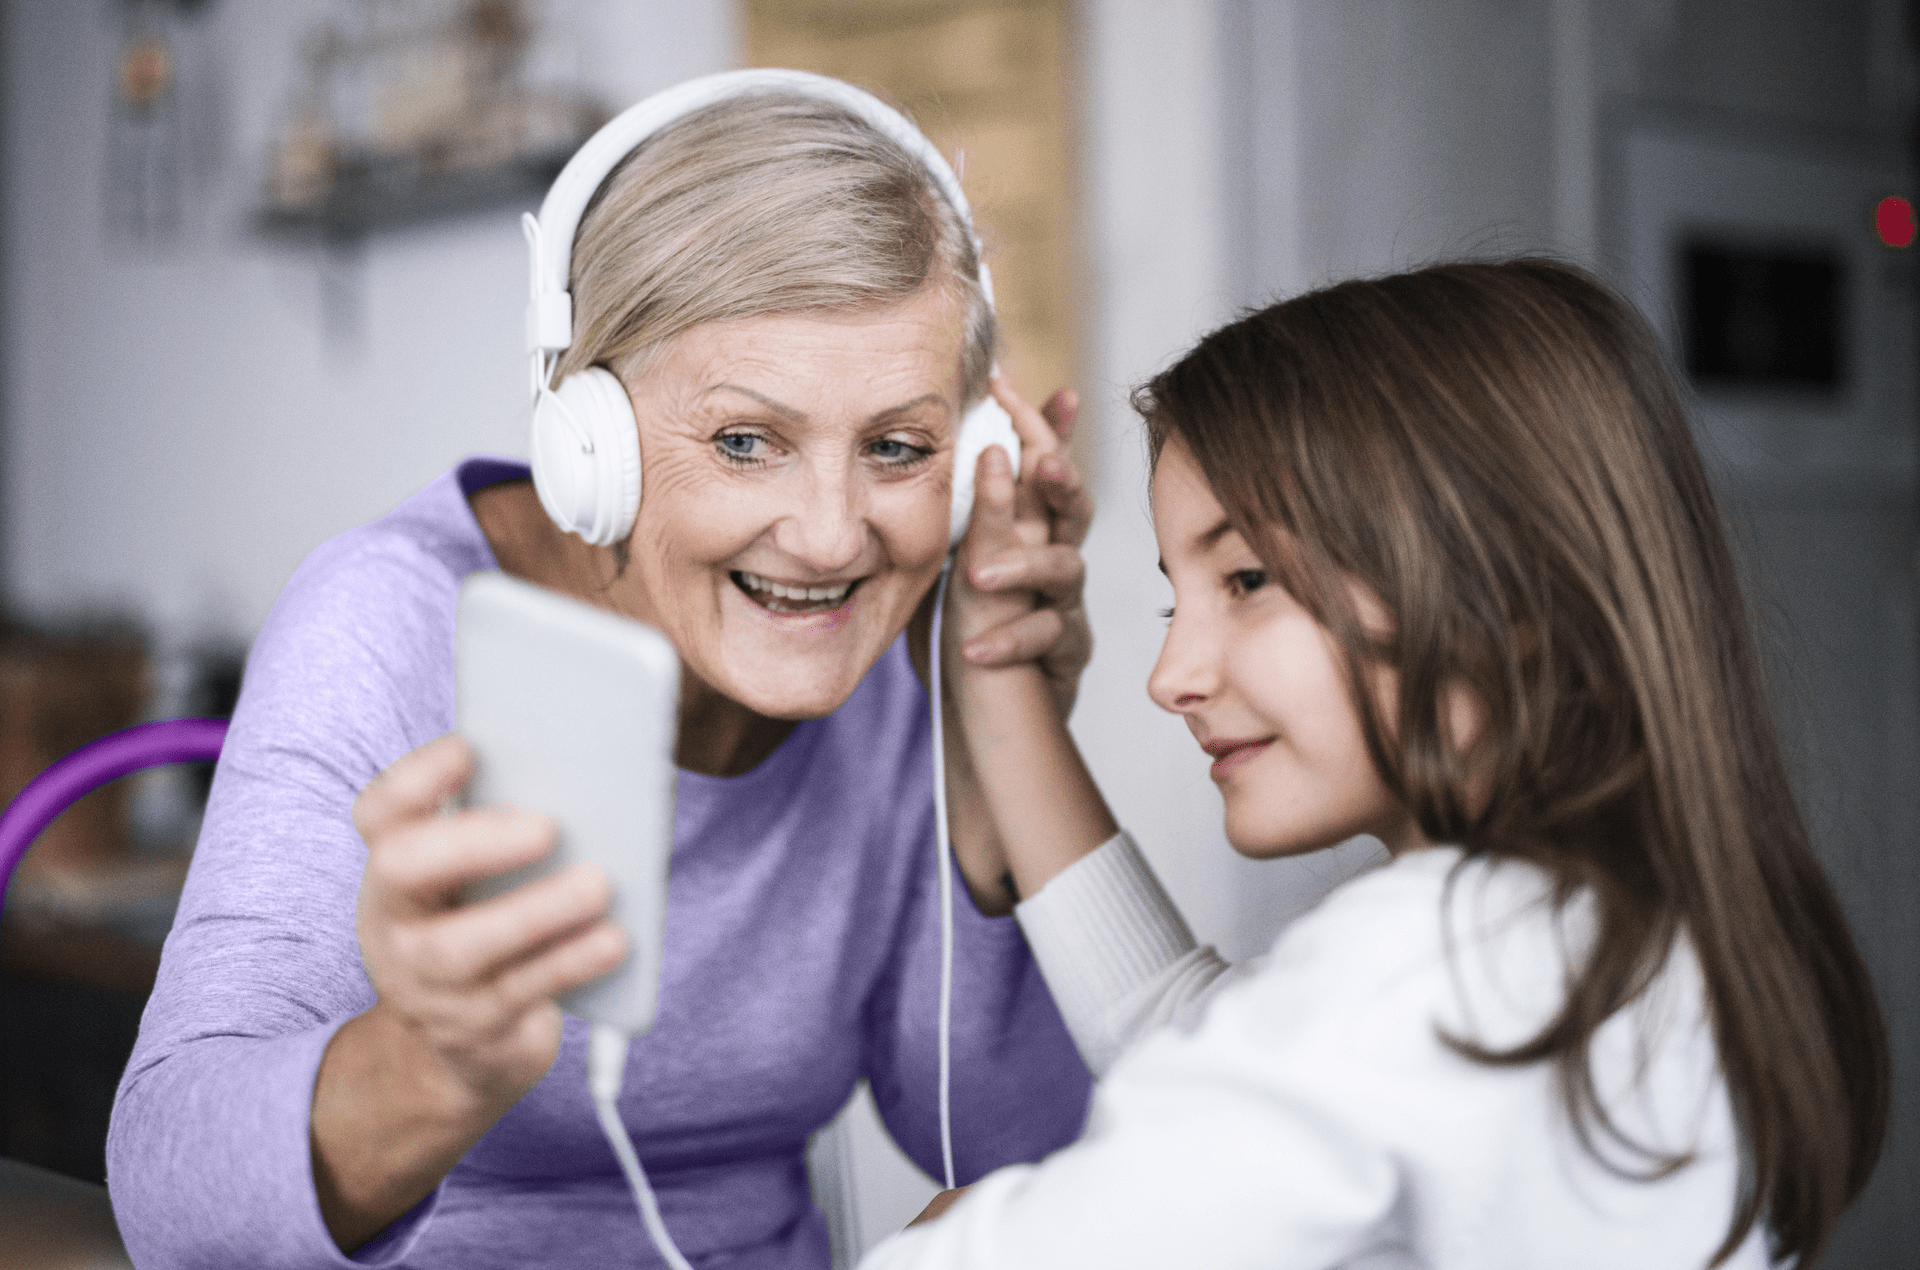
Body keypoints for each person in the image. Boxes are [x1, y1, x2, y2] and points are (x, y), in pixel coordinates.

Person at [106, 77, 1103, 1269]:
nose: (836, 538)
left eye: (898, 448)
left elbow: (1022, 1147)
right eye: (746, 440)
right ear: (592, 447)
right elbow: (165, 1195)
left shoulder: (898, 655)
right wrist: (429, 1065)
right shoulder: (385, 622)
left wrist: (996, 762)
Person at [865, 260, 1889, 1269]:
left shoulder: (1446, 962)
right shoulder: (1612, 930)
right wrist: (994, 671)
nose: (1171, 675)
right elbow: (1180, 1032)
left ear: (1510, 593)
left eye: (1250, 579)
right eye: (1183, 597)